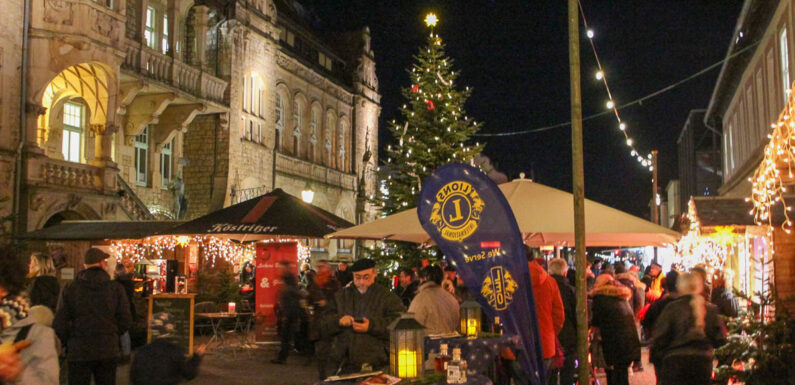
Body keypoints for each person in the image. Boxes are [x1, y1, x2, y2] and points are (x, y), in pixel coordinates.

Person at [53, 248, 132, 385]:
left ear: (84, 266)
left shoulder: (70, 288)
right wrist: (112, 333)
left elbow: (60, 322)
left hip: (78, 349)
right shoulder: (115, 289)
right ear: (102, 263)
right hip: (107, 349)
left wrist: (70, 340)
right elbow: (125, 320)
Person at [324, 259, 404, 373]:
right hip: (344, 361)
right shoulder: (341, 296)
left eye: (366, 277)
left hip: (377, 361)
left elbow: (399, 323)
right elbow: (325, 321)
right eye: (357, 277)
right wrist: (339, 321)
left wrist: (371, 326)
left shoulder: (387, 297)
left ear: (374, 274)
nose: (361, 282)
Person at [650, 273, 727, 385]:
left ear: (680, 287)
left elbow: (659, 340)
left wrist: (660, 368)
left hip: (675, 363)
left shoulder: (672, 308)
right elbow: (721, 341)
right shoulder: (710, 310)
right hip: (702, 364)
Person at [0, 247, 59, 385]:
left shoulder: (36, 335)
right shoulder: (52, 283)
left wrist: (17, 374)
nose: (29, 265)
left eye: (32, 262)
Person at [589, 274, 640, 385]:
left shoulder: (600, 298)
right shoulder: (620, 296)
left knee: (614, 376)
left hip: (613, 344)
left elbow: (595, 322)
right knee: (621, 375)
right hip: (628, 343)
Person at [527, 248, 565, 378]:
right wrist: (550, 332)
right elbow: (559, 316)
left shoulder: (508, 281)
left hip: (517, 346)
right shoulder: (550, 281)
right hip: (545, 344)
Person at [306, 260, 341, 380]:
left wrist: (327, 303)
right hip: (318, 319)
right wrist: (312, 300)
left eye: (322, 267)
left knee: (329, 349)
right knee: (320, 350)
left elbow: (339, 300)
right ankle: (323, 376)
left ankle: (330, 375)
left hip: (330, 319)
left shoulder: (334, 283)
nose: (319, 269)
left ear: (328, 268)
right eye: (318, 267)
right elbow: (309, 297)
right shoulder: (314, 282)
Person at [547, 258, 576, 385]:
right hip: (568, 336)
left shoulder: (544, 288)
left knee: (551, 371)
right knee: (567, 371)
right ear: (565, 272)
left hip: (549, 335)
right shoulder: (570, 290)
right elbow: (577, 315)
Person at [407, 266, 459, 335]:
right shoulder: (451, 298)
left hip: (429, 343)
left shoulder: (420, 299)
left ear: (422, 279)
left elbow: (411, 327)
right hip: (450, 342)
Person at [130, 339, 205, 385]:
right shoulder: (173, 351)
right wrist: (197, 357)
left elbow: (133, 376)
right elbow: (188, 373)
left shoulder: (142, 351)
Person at [271, 261, 305, 364]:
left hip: (291, 311)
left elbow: (294, 293)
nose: (279, 270)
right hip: (289, 310)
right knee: (287, 334)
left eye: (281, 268)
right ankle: (284, 356)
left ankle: (284, 356)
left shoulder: (290, 279)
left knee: (288, 334)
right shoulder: (287, 278)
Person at [114, 260, 136, 363]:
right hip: (129, 307)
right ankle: (126, 353)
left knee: (120, 331)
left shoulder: (116, 284)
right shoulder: (130, 282)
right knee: (125, 330)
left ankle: (121, 353)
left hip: (119, 308)